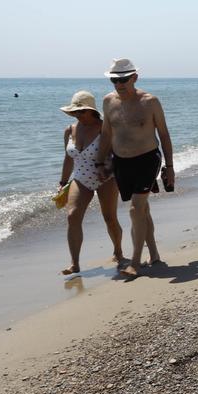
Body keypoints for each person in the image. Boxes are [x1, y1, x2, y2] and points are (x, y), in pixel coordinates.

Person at [94, 59, 175, 278]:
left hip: (148, 159)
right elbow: (106, 134)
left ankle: (136, 262)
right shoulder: (108, 102)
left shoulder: (150, 102)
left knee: (135, 210)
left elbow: (165, 135)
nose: (119, 84)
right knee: (142, 210)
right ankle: (155, 254)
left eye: (123, 79)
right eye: (114, 80)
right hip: (122, 162)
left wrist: (169, 167)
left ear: (135, 78)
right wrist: (100, 162)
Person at [57, 90, 123, 274]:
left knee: (109, 218)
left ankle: (118, 252)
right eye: (75, 112)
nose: (78, 115)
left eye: (81, 111)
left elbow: (119, 154)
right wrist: (63, 181)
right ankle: (75, 263)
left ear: (92, 111)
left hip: (106, 178)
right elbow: (68, 158)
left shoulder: (105, 128)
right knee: (72, 216)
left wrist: (109, 170)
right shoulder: (70, 130)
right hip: (80, 178)